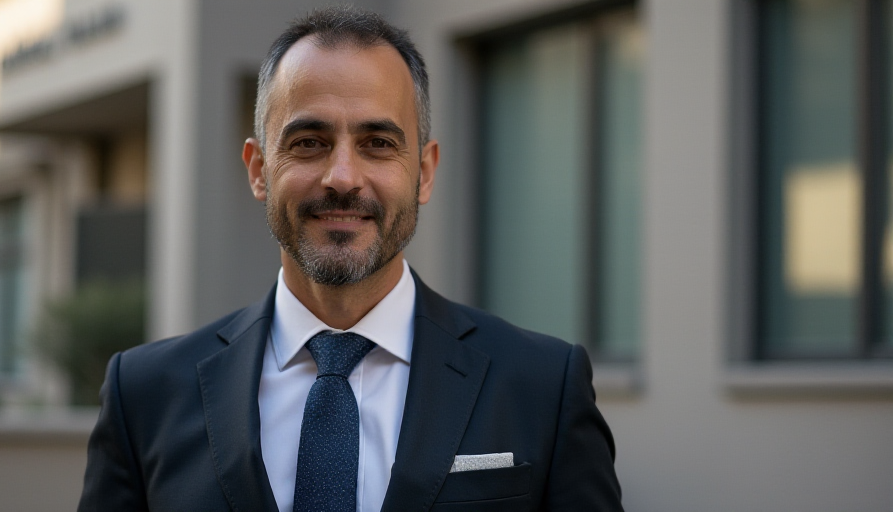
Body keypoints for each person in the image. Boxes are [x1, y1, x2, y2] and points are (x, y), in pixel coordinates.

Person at [78, 6, 622, 512]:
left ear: (425, 172)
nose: (342, 177)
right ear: (258, 168)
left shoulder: (542, 386)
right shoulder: (144, 395)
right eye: (310, 142)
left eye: (379, 144)